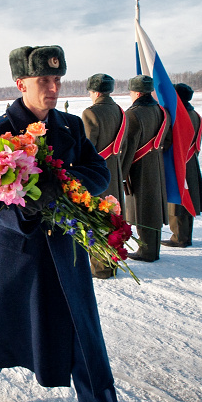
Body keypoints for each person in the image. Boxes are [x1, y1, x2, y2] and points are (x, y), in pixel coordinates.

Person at [0, 45, 161, 402]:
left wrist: (64, 186)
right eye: (43, 81)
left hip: (66, 257)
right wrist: (31, 206)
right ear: (21, 83)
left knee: (88, 349)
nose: (53, 88)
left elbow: (98, 171)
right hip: (17, 255)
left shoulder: (71, 125)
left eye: (57, 80)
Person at [80, 73, 127, 279]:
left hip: (98, 175)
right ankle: (111, 263)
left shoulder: (91, 113)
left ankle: (101, 268)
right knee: (114, 218)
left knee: (98, 218)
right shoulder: (120, 111)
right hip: (114, 170)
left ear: (95, 92)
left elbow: (86, 148)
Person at [119, 75, 168, 262]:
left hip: (139, 167)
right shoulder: (162, 112)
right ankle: (153, 248)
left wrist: (122, 175)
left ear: (137, 93)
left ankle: (146, 251)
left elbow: (129, 146)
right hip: (156, 164)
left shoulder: (133, 114)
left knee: (142, 208)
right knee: (154, 207)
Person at [164, 83, 202, 247]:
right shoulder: (195, 114)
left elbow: (170, 140)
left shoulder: (179, 115)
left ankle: (179, 237)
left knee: (178, 200)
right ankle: (186, 235)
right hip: (191, 161)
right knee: (188, 197)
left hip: (180, 161)